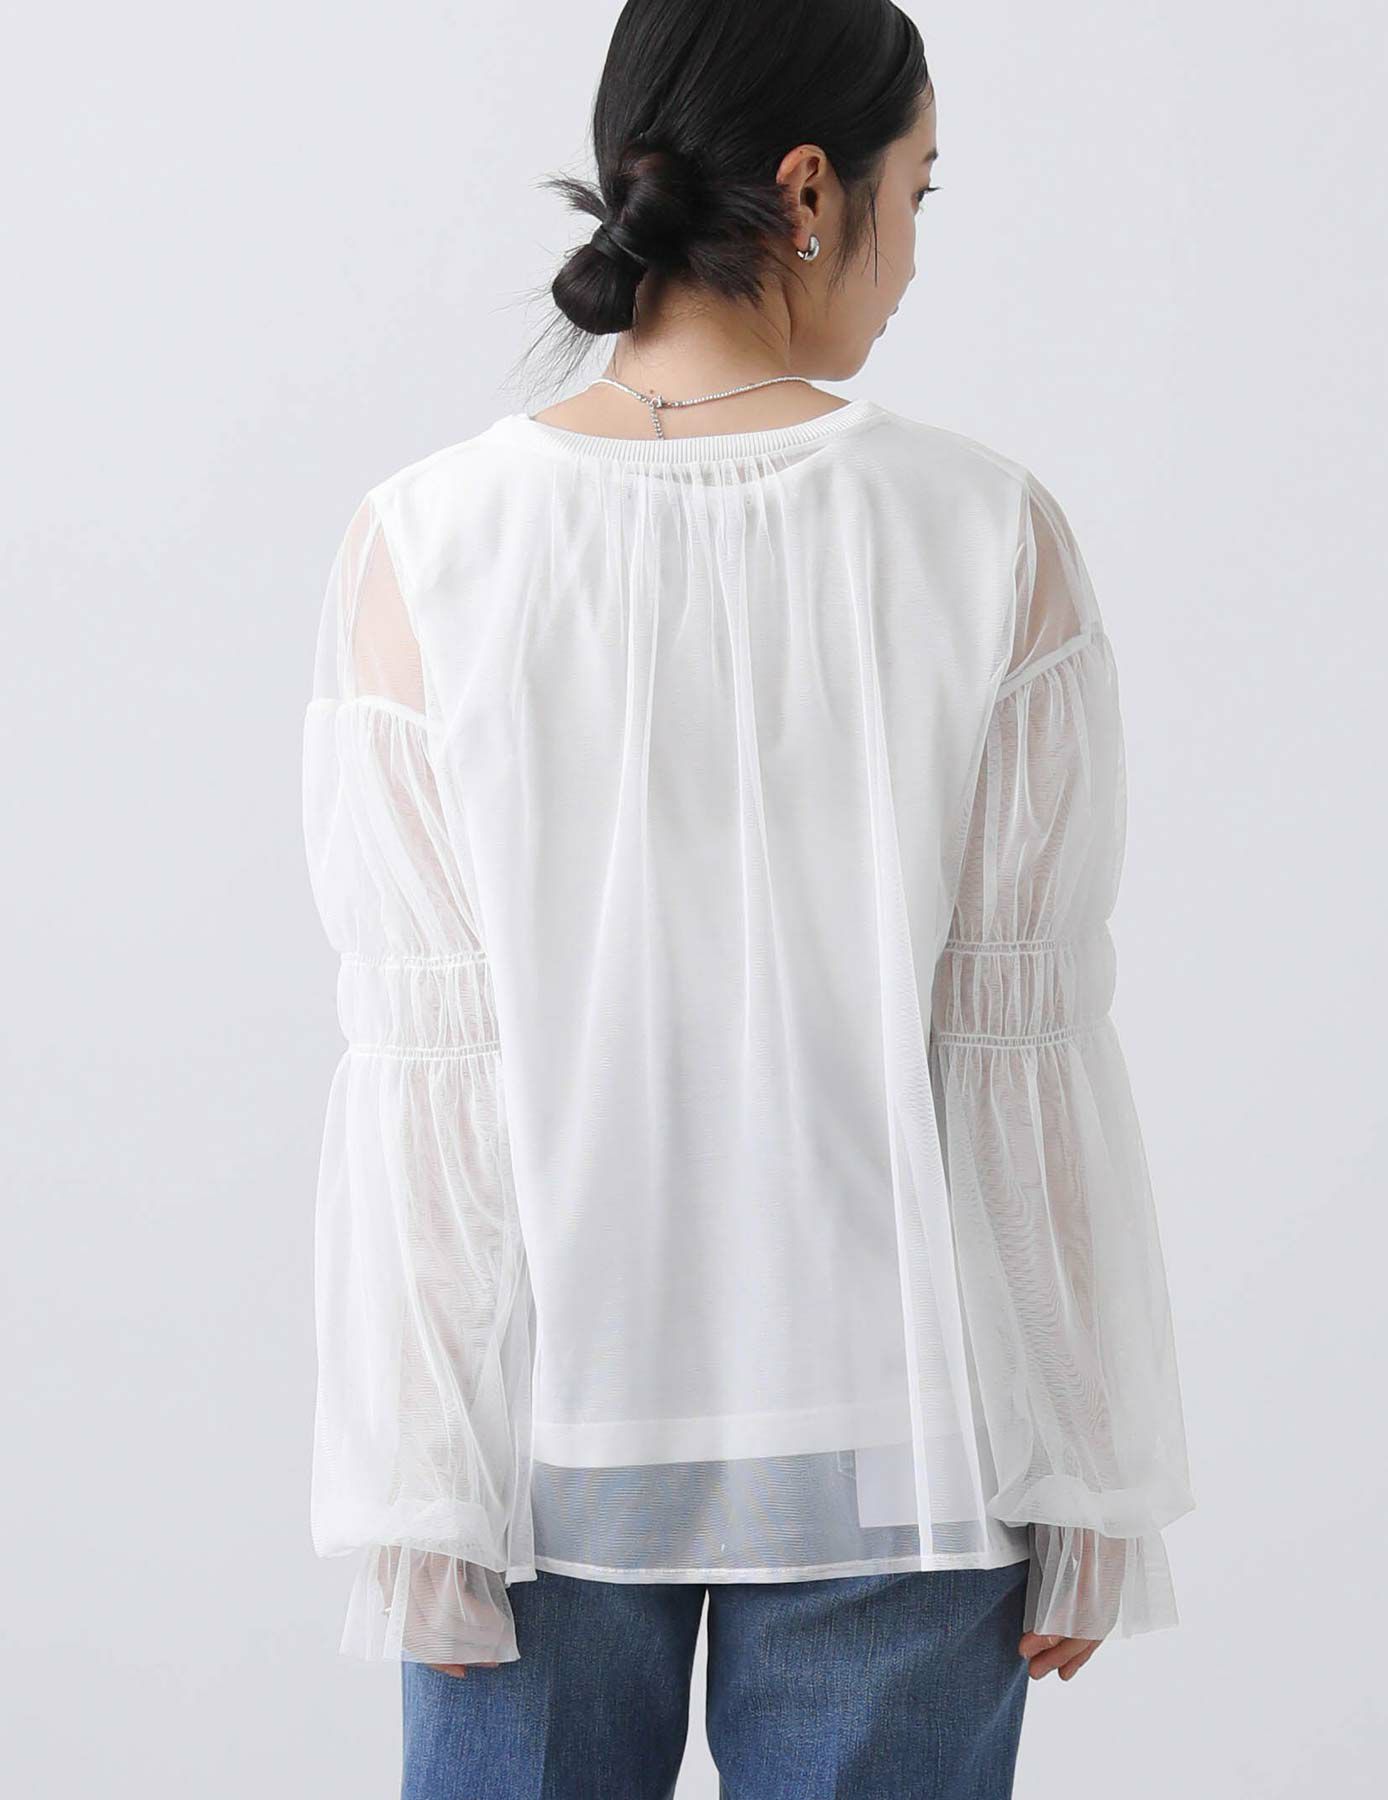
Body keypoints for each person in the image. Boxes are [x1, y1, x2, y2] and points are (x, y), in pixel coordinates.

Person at [299, 1, 1195, 1793]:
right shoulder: (986, 530)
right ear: (808, 190)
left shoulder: (426, 543)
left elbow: (433, 1078)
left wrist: (421, 1481)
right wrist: (1082, 1462)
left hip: (533, 1442)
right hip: (910, 1439)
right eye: (916, 193)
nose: (914, 254)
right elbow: (1016, 1040)